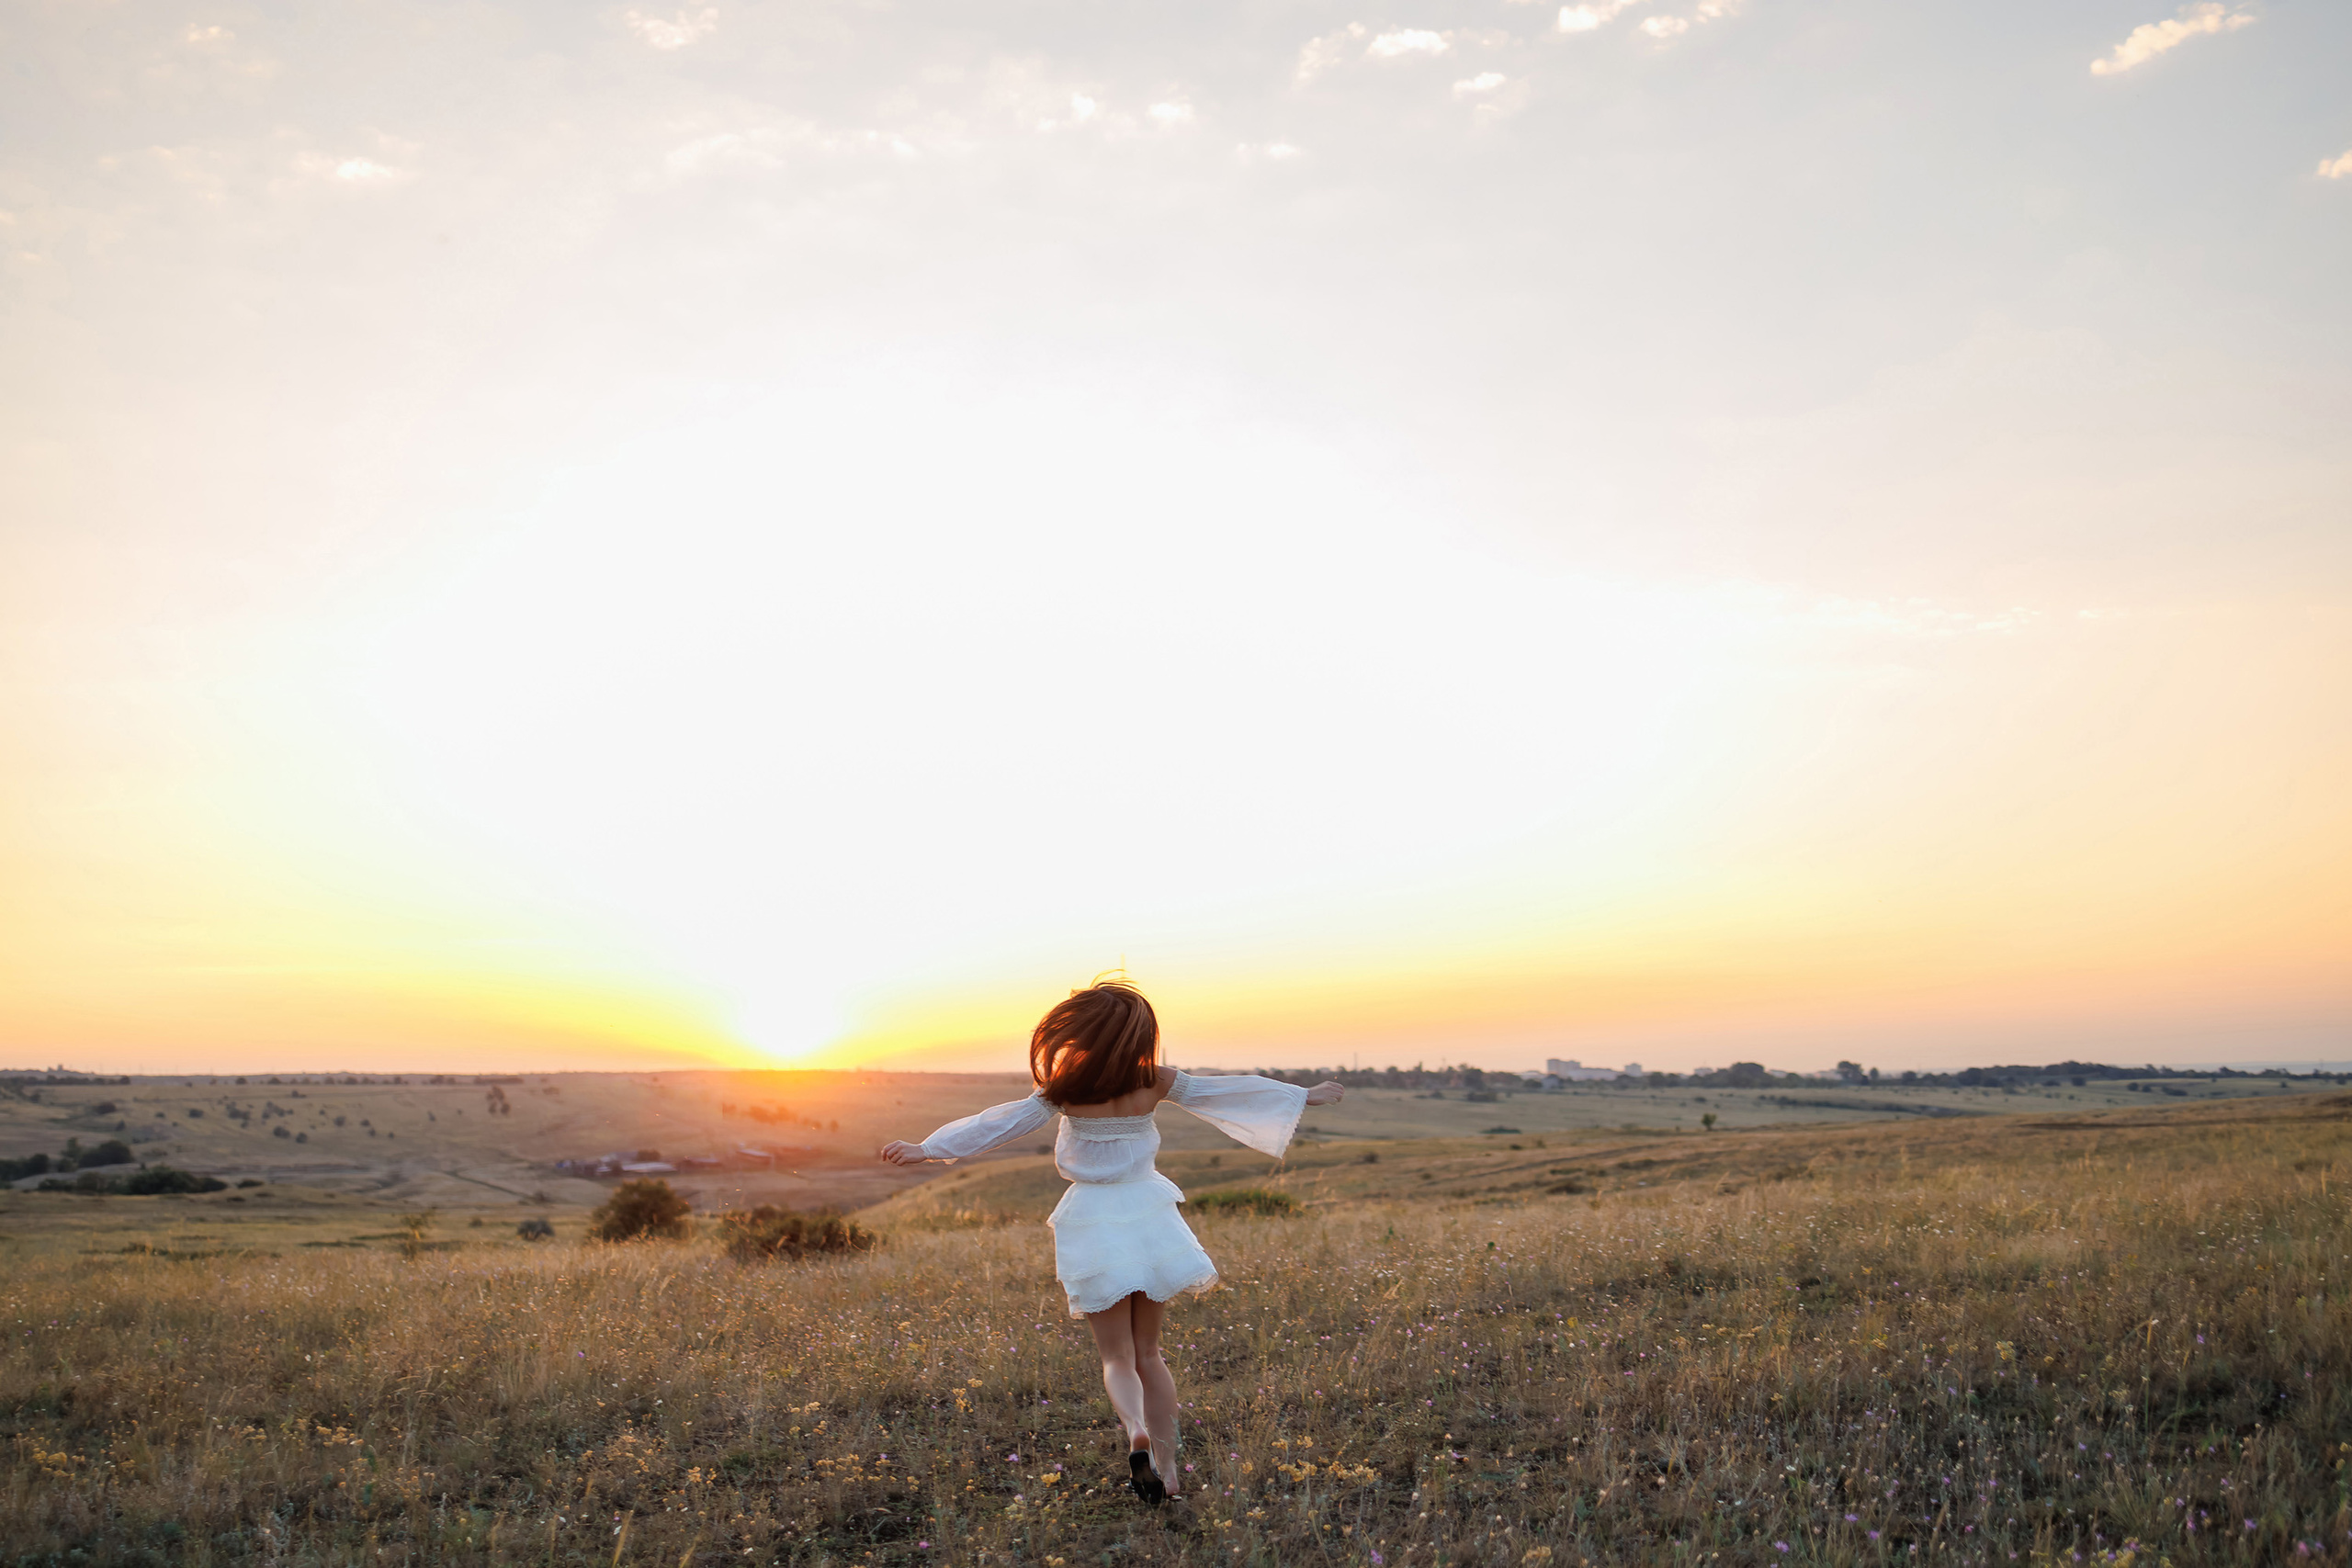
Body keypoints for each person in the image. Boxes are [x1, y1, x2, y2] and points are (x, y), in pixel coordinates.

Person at [878, 981, 1343, 1506]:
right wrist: (1301, 1095)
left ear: (1080, 1033)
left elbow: (999, 1123)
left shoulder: (1065, 1087)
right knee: (1151, 1352)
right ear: (1140, 1034)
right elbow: (1226, 1090)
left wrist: (927, 1148)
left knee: (1117, 1359)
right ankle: (1168, 1473)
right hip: (1149, 1215)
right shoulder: (1156, 1081)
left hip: (1093, 1219)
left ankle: (1134, 1434)